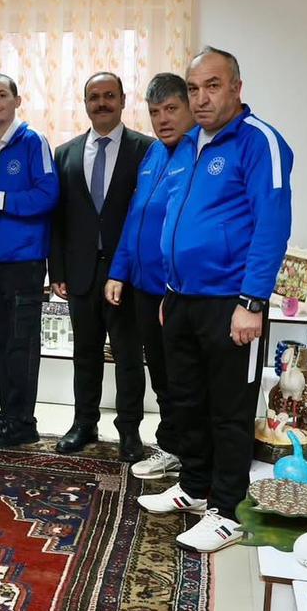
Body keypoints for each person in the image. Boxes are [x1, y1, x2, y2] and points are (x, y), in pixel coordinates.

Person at [140, 47, 293, 555]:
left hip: (232, 301)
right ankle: (194, 485)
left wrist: (253, 301)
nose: (201, 98)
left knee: (229, 410)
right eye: (193, 88)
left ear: (236, 88)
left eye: (212, 86)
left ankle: (227, 511)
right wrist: (170, 290)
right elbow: (175, 221)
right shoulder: (187, 146)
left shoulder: (259, 142)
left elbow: (272, 224)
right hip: (182, 298)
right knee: (186, 401)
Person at [49, 72, 155, 461]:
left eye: (110, 95)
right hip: (80, 274)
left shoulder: (147, 150)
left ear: (123, 100)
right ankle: (84, 424)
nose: (102, 103)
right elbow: (58, 218)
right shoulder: (65, 153)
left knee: (128, 357)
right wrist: (57, 271)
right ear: (85, 103)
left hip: (126, 276)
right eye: (94, 97)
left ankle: (129, 431)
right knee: (85, 354)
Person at [103, 72, 196, 481]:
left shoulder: (198, 154)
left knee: (181, 378)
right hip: (142, 287)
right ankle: (172, 447)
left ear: (190, 107)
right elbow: (135, 218)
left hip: (175, 291)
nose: (163, 119)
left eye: (171, 109)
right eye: (155, 112)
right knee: (160, 374)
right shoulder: (154, 154)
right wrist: (118, 271)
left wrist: (174, 290)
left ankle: (189, 454)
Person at [0, 73, 60, 449]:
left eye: (1, 95)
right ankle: (8, 415)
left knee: (21, 346)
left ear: (17, 101)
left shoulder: (33, 141)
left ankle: (24, 422)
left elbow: (48, 195)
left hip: (24, 263)